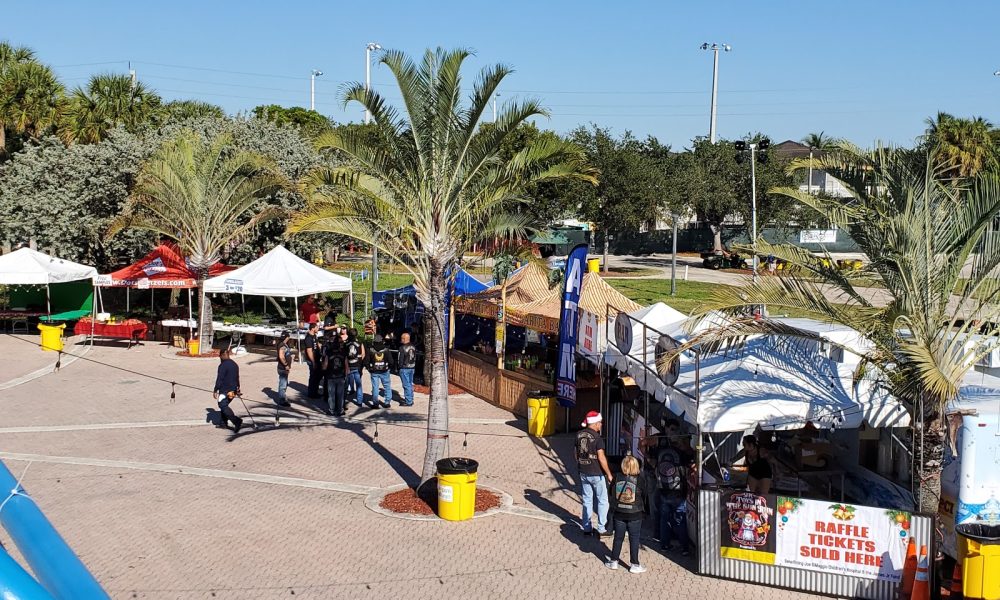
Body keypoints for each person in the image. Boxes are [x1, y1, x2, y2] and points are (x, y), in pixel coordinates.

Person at [605, 455, 648, 573]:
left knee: (618, 538)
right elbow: (645, 495)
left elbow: (611, 493)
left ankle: (614, 561)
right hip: (635, 513)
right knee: (634, 539)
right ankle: (634, 564)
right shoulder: (640, 479)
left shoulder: (617, 477)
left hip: (619, 512)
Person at [577, 411, 613, 537]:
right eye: (600, 423)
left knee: (587, 500)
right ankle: (601, 528)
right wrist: (608, 473)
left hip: (583, 471)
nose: (601, 425)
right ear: (596, 423)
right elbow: (601, 458)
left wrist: (581, 464)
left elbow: (575, 453)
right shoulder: (598, 438)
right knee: (603, 500)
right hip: (596, 473)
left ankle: (587, 527)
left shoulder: (579, 435)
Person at [654, 442, 691, 556]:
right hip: (678, 492)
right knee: (680, 520)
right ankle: (684, 547)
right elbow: (686, 473)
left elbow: (655, 468)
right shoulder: (681, 455)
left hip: (663, 491)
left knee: (664, 519)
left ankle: (664, 545)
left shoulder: (661, 453)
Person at [212, 349, 243, 433]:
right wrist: (238, 388)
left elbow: (220, 379)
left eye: (220, 356)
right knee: (224, 404)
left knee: (222, 405)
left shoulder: (223, 365)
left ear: (222, 355)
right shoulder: (234, 364)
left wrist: (215, 389)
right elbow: (237, 377)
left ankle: (236, 421)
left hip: (225, 390)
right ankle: (223, 423)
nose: (220, 358)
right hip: (233, 390)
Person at [322, 335, 348, 416]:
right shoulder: (343, 353)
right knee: (340, 394)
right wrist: (346, 375)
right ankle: (340, 410)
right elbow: (346, 365)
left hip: (331, 375)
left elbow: (325, 365)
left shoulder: (328, 353)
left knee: (331, 394)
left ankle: (332, 410)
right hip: (340, 376)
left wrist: (323, 368)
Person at [366, 334, 394, 408]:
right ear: (382, 341)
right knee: (387, 386)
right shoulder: (386, 349)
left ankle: (375, 403)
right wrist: (388, 368)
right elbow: (391, 361)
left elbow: (366, 361)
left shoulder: (370, 349)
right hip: (385, 370)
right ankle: (387, 402)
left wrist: (369, 368)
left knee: (375, 387)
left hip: (374, 371)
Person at [345, 328, 365, 406]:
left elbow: (344, 356)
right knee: (359, 384)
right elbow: (363, 354)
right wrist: (359, 360)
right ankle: (359, 401)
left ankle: (344, 400)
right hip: (357, 366)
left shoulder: (346, 344)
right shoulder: (360, 343)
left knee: (347, 383)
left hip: (349, 366)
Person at [398, 331, 417, 407]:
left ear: (404, 339)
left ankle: (408, 401)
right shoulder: (413, 346)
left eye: (402, 338)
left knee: (406, 385)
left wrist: (399, 368)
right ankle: (411, 399)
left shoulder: (402, 348)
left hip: (404, 368)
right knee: (410, 383)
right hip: (412, 367)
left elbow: (400, 359)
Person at [303, 321, 322, 399]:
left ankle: (315, 391)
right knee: (313, 376)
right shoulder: (308, 338)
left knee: (318, 376)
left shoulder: (314, 335)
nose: (318, 328)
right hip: (312, 360)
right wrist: (313, 362)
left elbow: (317, 345)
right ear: (313, 328)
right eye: (317, 327)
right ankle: (311, 393)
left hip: (317, 359)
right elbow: (309, 351)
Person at [275, 332, 293, 407]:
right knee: (283, 384)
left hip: (283, 368)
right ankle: (282, 400)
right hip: (282, 368)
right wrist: (286, 365)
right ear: (287, 337)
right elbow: (281, 356)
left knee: (285, 383)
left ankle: (283, 397)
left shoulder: (283, 344)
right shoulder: (282, 345)